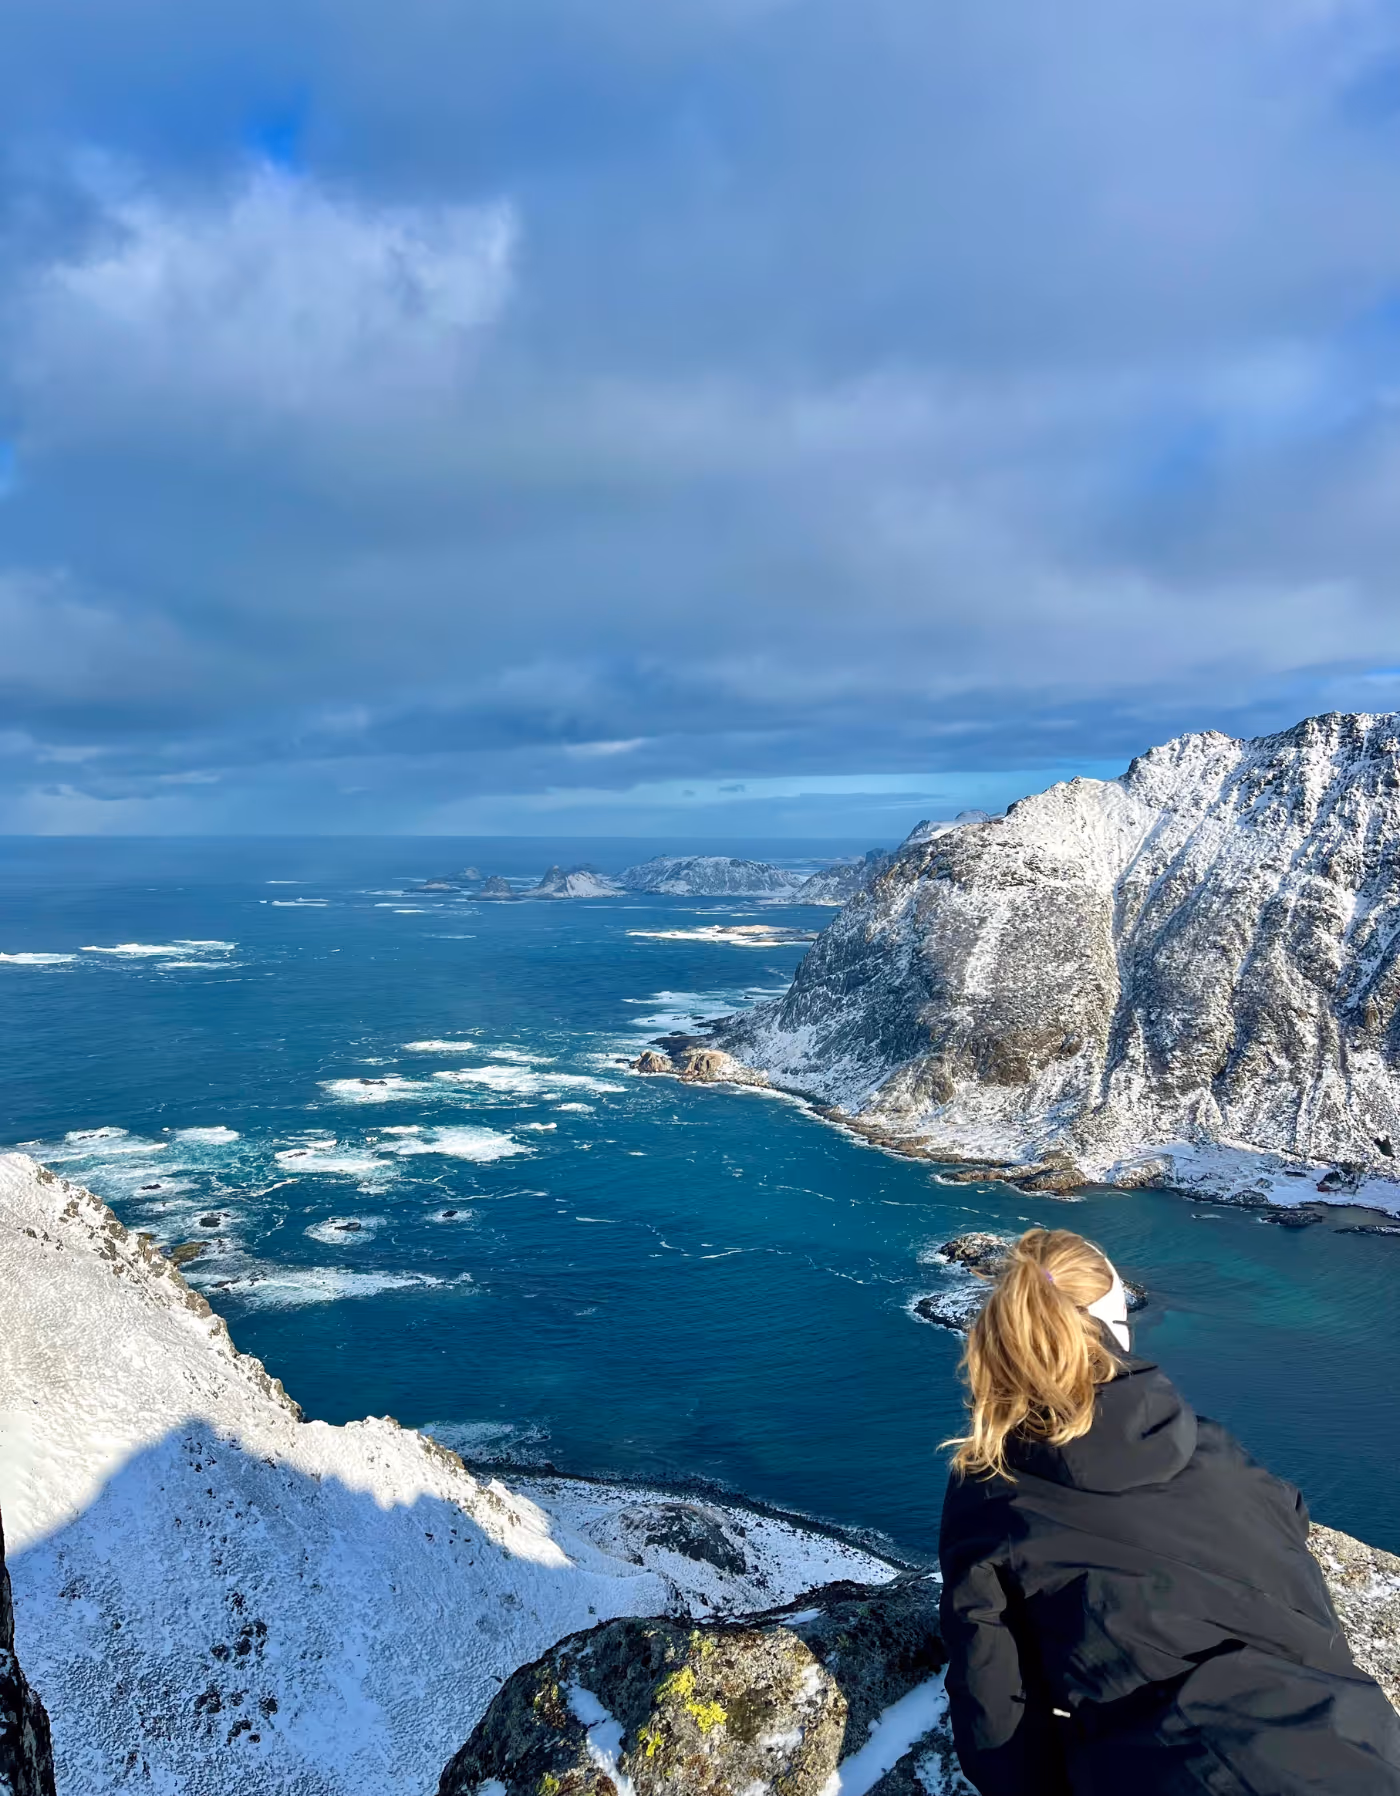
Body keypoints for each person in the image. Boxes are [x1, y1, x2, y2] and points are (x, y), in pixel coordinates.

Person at [938, 1227, 1400, 1794]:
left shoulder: (994, 1488)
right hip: (1350, 1738)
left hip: (1176, 1763)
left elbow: (994, 1701)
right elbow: (1290, 1516)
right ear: (1117, 1330)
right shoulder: (1206, 1442)